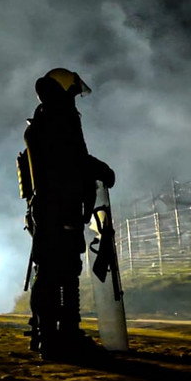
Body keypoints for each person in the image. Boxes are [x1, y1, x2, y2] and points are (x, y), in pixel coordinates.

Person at [20, 68, 115, 360]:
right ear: (63, 91)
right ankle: (66, 335)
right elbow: (73, 159)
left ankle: (49, 335)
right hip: (61, 207)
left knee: (50, 271)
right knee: (65, 273)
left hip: (46, 209)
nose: (75, 98)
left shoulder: (41, 120)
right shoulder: (61, 119)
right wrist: (102, 170)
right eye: (73, 93)